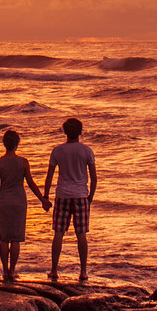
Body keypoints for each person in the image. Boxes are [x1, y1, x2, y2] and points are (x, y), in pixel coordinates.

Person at [41, 116, 97, 285]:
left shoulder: (57, 151)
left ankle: (54, 270)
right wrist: (90, 197)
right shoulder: (86, 151)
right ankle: (83, 271)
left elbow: (49, 176)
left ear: (65, 132)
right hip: (81, 195)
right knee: (81, 234)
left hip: (62, 195)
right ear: (80, 132)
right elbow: (94, 178)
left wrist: (45, 196)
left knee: (58, 233)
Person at [0, 128, 46, 282]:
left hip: (3, 201)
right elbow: (31, 183)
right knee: (15, 239)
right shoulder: (23, 162)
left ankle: (4, 270)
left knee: (4, 239)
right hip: (19, 202)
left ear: (4, 144)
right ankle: (12, 270)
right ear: (17, 144)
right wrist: (42, 199)